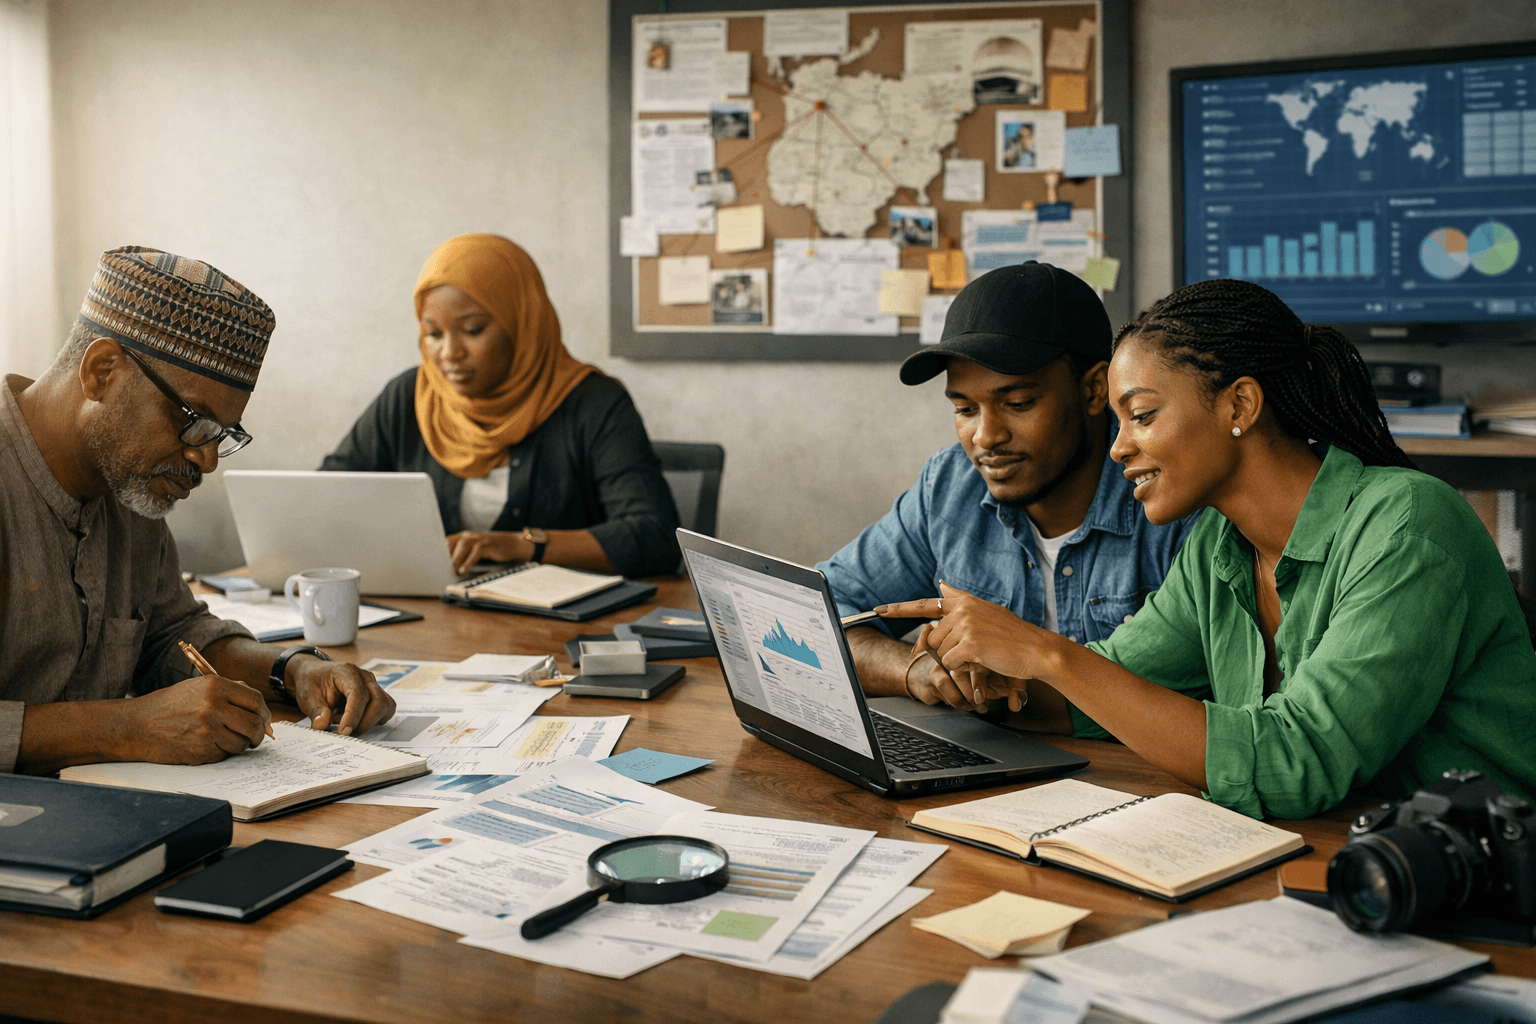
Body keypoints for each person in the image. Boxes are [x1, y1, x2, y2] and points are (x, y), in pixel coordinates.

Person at [881, 279, 1536, 818]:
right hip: (1337, 857)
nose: (1119, 447)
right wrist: (992, 680)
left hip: (1479, 890)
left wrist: (1047, 655)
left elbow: (1295, 764)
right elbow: (1117, 688)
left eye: (1142, 416)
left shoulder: (1409, 526)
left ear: (1240, 405)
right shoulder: (1220, 547)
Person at [1, 246, 396, 775]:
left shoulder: (126, 482)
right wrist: (129, 728)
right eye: (193, 422)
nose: (206, 460)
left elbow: (173, 635)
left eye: (222, 435)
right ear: (102, 372)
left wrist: (294, 670)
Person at [818, 262, 1196, 713]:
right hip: (985, 754)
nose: (985, 437)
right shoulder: (949, 486)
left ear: (1095, 390)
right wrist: (914, 670)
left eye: (1017, 403)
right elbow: (819, 612)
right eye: (965, 409)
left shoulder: (1174, 498)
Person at [321, 234, 680, 578]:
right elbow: (325, 497)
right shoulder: (411, 396)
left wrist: (522, 546)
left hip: (560, 618)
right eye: (433, 334)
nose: (449, 353)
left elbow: (655, 536)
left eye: (473, 330)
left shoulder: (594, 403)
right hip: (432, 615)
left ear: (521, 323)